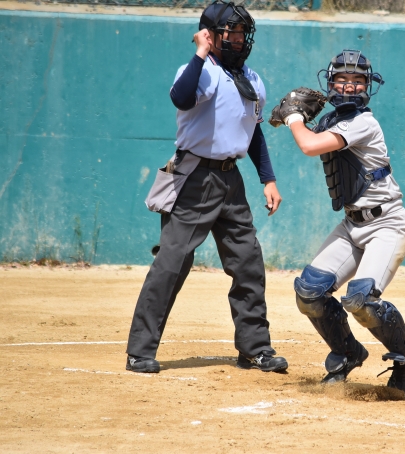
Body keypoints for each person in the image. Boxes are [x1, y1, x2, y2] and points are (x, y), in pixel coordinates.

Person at [125, 1, 287, 374]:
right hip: (194, 177)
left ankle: (255, 349)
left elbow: (253, 132)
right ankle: (140, 352)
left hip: (231, 180)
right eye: (231, 32)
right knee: (172, 262)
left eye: (243, 32)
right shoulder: (202, 71)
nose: (239, 38)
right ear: (210, 35)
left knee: (248, 263)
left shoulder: (252, 79)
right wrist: (200, 53)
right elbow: (181, 98)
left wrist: (268, 179)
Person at [278, 49, 405, 393]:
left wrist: (293, 116)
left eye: (358, 80)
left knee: (361, 302)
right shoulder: (333, 120)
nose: (351, 86)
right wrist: (289, 117)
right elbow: (310, 132)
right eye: (342, 79)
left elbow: (309, 145)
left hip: (386, 224)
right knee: (308, 293)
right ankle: (347, 353)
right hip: (352, 225)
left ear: (368, 86)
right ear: (331, 82)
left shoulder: (363, 122)